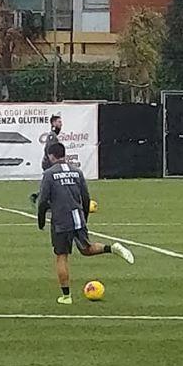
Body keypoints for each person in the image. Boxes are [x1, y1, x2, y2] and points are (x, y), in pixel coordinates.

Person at [37, 141, 132, 304]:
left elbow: (43, 200)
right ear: (64, 154)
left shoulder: (49, 174)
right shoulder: (77, 172)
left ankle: (66, 296)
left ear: (51, 156)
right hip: (78, 217)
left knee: (61, 256)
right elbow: (86, 198)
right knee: (86, 249)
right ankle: (112, 248)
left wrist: (41, 220)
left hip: (61, 221)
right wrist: (84, 218)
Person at [29, 113, 64, 207]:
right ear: (53, 123)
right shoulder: (52, 136)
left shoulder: (54, 135)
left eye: (61, 122)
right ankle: (43, 199)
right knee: (52, 182)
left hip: (50, 162)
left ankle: (38, 196)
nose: (61, 124)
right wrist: (53, 162)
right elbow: (49, 149)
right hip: (49, 163)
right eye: (59, 122)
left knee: (49, 182)